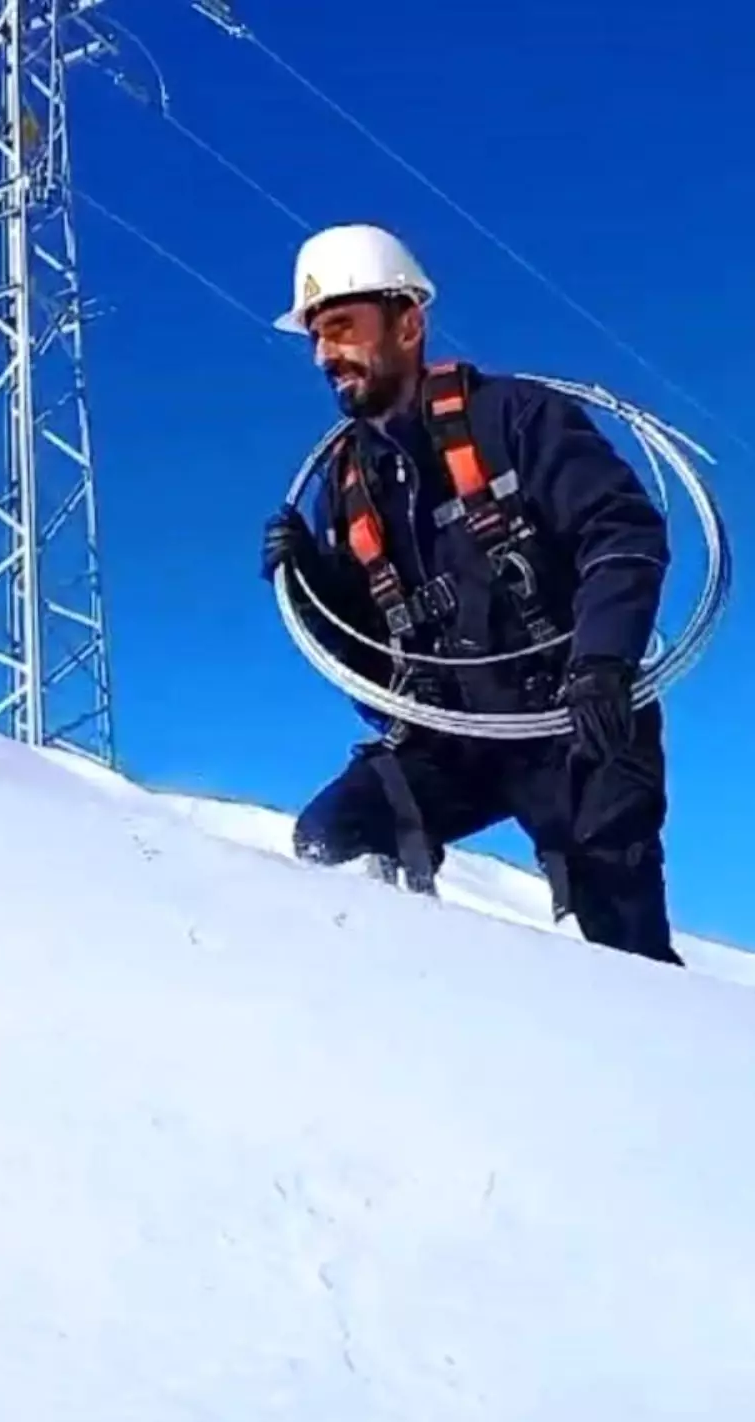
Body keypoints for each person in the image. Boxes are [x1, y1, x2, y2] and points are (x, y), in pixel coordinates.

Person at [260, 223, 684, 965]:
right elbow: (375, 670)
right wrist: (315, 590)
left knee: (621, 931)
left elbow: (621, 532)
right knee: (337, 834)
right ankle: (422, 1007)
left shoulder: (515, 419)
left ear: (409, 322)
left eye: (341, 329)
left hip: (572, 719)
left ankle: (685, 1057)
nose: (326, 355)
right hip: (453, 738)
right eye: (316, 339)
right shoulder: (349, 484)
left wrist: (602, 665)